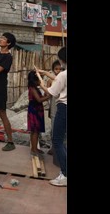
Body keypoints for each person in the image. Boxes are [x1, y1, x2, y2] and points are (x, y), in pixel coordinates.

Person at [47, 46, 67, 187]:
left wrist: (42, 85)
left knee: (57, 140)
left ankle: (65, 174)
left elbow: (53, 92)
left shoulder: (62, 74)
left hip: (63, 108)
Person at [26, 70, 52, 156]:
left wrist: (45, 93)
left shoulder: (35, 88)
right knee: (35, 131)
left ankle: (34, 148)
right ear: (35, 81)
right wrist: (48, 96)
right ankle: (34, 149)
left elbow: (41, 98)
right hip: (34, 111)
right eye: (39, 80)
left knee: (35, 131)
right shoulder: (32, 88)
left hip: (37, 110)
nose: (40, 82)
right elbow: (39, 100)